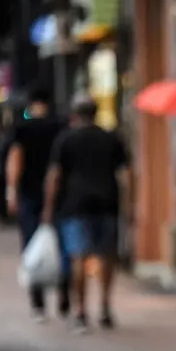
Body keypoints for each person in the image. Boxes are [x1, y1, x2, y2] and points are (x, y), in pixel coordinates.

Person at [43, 97, 131, 333]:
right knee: (107, 256)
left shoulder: (66, 139)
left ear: (75, 114)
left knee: (79, 258)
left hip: (75, 205)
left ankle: (80, 311)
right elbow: (125, 176)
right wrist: (129, 206)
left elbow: (54, 175)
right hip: (107, 203)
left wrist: (49, 208)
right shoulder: (111, 138)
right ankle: (104, 306)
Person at [4, 87, 69, 321]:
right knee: (63, 245)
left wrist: (12, 191)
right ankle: (65, 294)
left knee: (31, 245)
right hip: (61, 194)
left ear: (31, 103)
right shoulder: (61, 126)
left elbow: (15, 160)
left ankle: (38, 302)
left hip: (30, 194)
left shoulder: (22, 129)